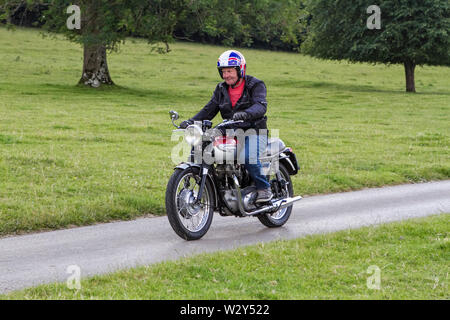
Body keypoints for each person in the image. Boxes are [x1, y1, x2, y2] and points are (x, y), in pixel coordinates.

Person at [180, 50, 273, 203]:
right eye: (223, 72)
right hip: (230, 129)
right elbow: (209, 110)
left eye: (230, 71)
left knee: (247, 156)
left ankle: (264, 188)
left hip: (254, 130)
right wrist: (190, 122)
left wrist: (245, 114)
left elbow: (260, 106)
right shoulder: (221, 89)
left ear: (240, 69)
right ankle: (207, 181)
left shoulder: (255, 84)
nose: (226, 75)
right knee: (201, 145)